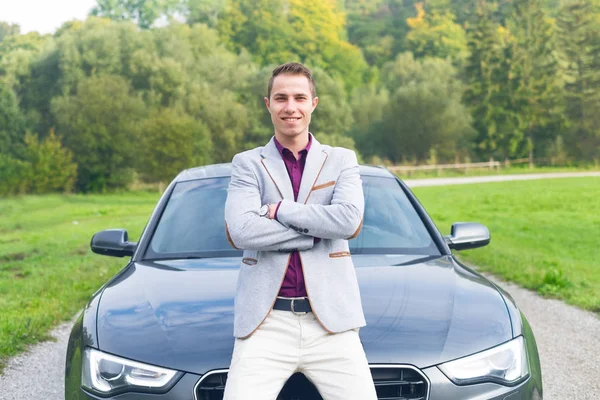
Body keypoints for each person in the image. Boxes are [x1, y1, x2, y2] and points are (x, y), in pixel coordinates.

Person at [223, 62, 377, 400]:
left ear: (313, 103)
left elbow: (348, 221)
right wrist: (316, 231)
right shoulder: (247, 163)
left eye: (299, 97)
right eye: (281, 98)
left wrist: (280, 211)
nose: (290, 107)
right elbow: (242, 230)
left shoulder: (341, 160)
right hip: (265, 323)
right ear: (268, 104)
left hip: (332, 324)